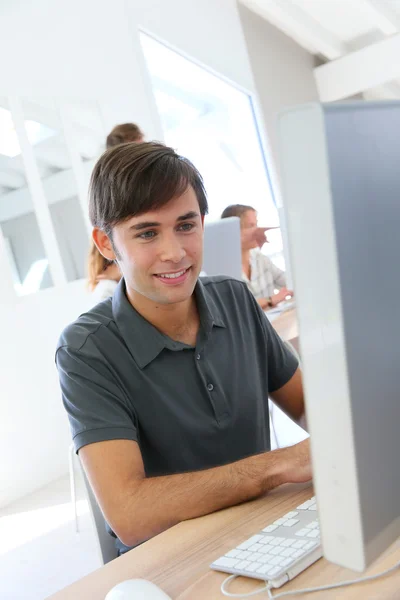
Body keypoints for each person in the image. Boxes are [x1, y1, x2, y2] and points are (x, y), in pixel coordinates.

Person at [56, 142, 311, 555]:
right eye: (147, 232)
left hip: (266, 532)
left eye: (186, 226)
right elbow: (128, 514)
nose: (174, 252)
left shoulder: (235, 298)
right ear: (106, 244)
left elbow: (308, 405)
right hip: (172, 562)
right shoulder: (86, 350)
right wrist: (278, 466)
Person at [221, 204, 293, 311]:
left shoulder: (260, 258)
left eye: (256, 224)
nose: (258, 231)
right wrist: (270, 300)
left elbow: (289, 282)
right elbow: (236, 308)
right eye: (251, 226)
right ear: (232, 231)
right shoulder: (222, 269)